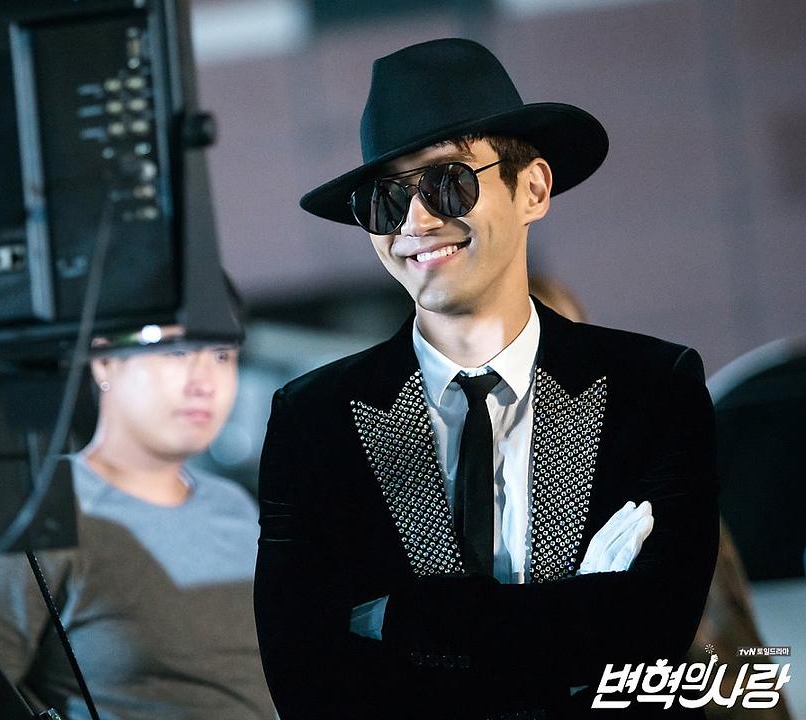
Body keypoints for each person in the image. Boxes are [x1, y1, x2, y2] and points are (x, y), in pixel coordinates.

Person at [254, 38, 718, 719]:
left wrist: (396, 618)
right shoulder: (314, 419)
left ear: (532, 189)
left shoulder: (652, 389)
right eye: (385, 199)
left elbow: (653, 640)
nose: (416, 221)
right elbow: (307, 682)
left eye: (448, 181)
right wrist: (575, 616)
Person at [0, 339, 275, 720]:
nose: (205, 383)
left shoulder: (235, 506)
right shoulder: (43, 505)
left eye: (222, 356)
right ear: (105, 361)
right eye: (177, 351)